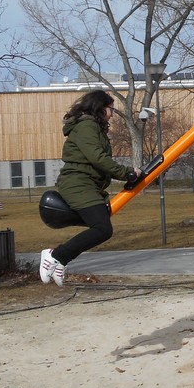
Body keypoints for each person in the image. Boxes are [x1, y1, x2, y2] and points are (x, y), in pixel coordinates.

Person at [40, 90, 138, 286]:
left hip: (88, 184)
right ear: (100, 108)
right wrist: (126, 173)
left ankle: (61, 261)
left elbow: (99, 160)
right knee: (103, 229)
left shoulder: (94, 128)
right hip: (78, 183)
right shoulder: (87, 126)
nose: (112, 114)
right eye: (111, 109)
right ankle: (55, 255)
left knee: (101, 222)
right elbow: (97, 158)